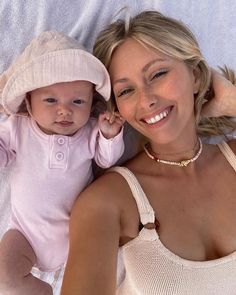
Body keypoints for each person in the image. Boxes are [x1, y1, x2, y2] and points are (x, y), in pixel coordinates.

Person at [61, 11, 236, 295]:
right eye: (126, 91)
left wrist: (230, 102)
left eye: (158, 74)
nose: (146, 100)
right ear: (116, 109)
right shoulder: (106, 201)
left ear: (195, 75)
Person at [0, 30, 124, 295]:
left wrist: (109, 135)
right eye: (51, 100)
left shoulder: (90, 131)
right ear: (29, 103)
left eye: (78, 101)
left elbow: (107, 159)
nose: (64, 110)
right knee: (4, 278)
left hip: (79, 235)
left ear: (92, 104)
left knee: (105, 278)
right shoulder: (18, 128)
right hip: (25, 233)